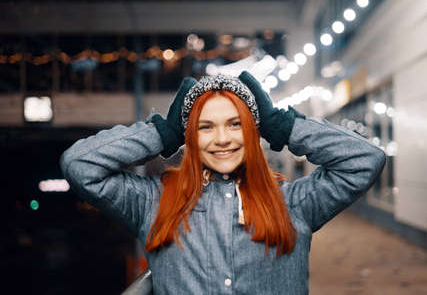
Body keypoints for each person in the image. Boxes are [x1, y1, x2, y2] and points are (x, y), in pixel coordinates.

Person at [60, 71, 386, 294]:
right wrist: (163, 132)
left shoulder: (295, 203)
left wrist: (283, 125)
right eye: (205, 127)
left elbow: (365, 159)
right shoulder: (152, 203)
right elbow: (81, 164)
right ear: (190, 136)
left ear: (252, 130)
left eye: (234, 124)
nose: (222, 139)